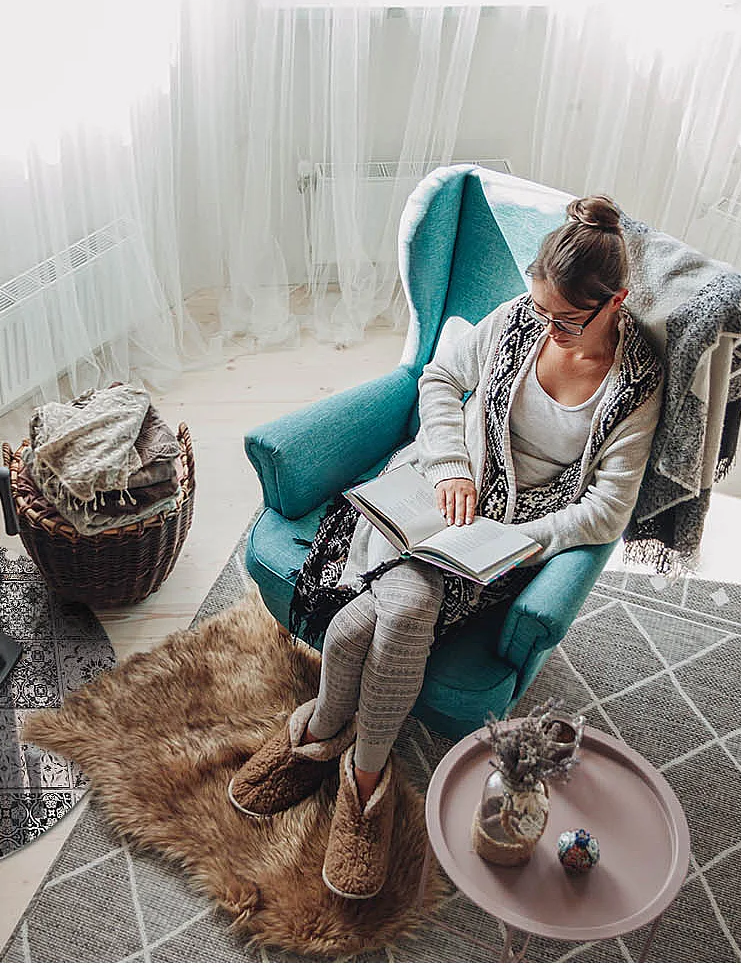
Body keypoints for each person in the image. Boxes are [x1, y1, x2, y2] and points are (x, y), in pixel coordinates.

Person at [228, 194, 666, 900]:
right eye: (539, 308)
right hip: (437, 484)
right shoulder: (524, 317)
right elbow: (439, 376)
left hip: (511, 534)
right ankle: (356, 773)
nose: (545, 329)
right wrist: (451, 467)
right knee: (399, 612)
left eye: (565, 320)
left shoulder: (636, 383)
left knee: (375, 622)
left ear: (614, 301)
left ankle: (332, 752)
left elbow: (607, 508)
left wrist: (522, 542)